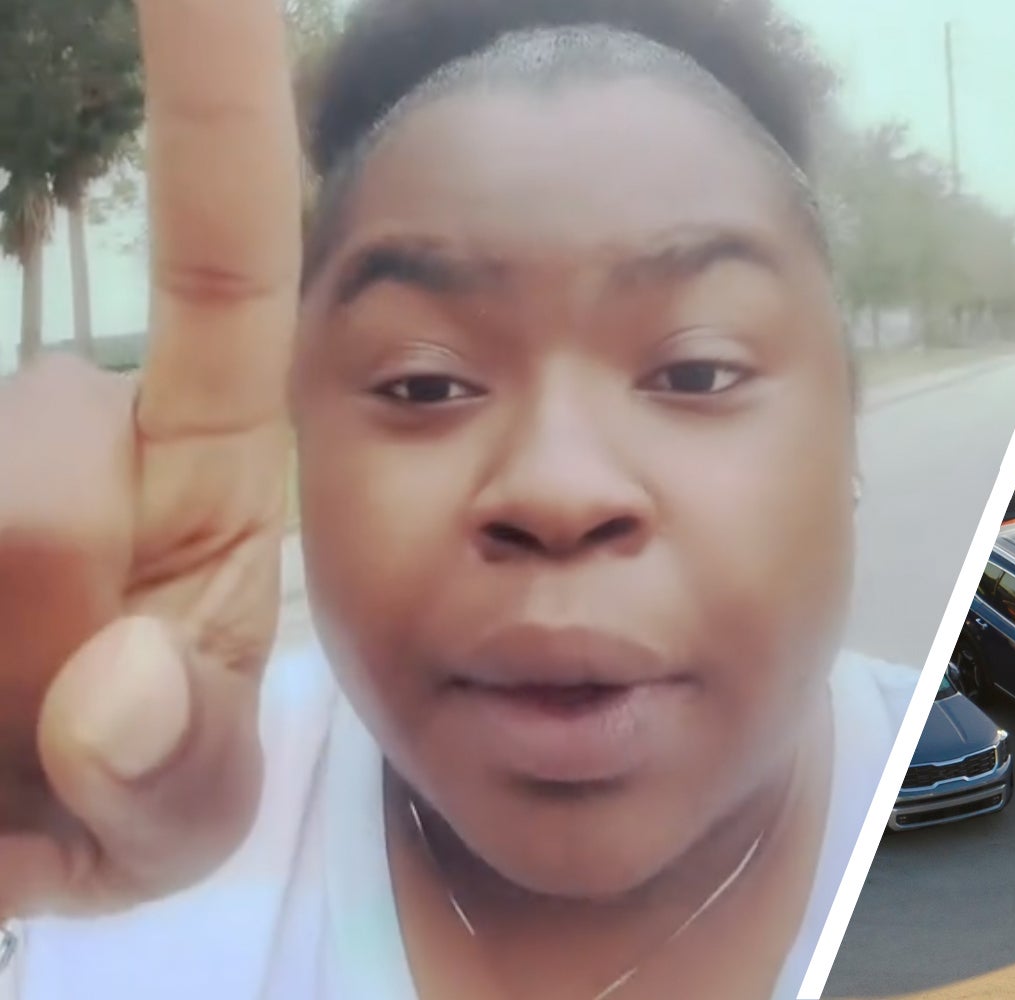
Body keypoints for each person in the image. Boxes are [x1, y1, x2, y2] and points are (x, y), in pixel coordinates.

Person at [0, 0, 918, 997]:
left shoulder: (938, 782)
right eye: (424, 384)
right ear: (299, 434)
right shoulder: (115, 856)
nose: (556, 489)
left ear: (846, 421)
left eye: (695, 371)